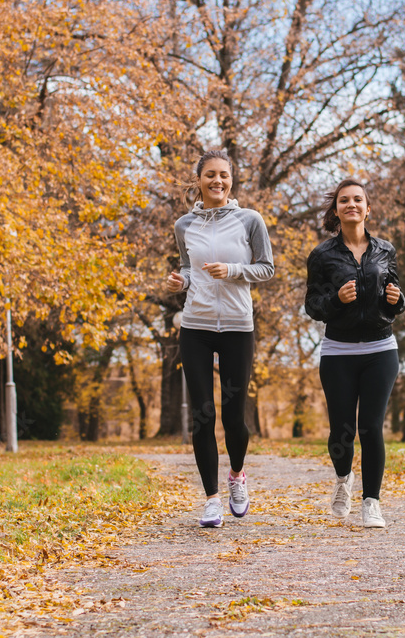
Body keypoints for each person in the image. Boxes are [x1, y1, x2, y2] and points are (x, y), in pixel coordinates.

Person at [165, 149, 274, 528]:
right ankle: (211, 499)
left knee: (233, 415)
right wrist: (184, 280)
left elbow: (267, 268)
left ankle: (237, 477)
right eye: (210, 174)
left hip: (237, 326)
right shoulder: (184, 225)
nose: (217, 181)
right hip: (195, 325)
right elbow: (187, 267)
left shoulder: (250, 220)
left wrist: (231, 270)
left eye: (223, 175)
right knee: (201, 415)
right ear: (199, 180)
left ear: (231, 180)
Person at [304, 178, 405, 528]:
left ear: (367, 208)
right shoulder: (321, 255)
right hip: (338, 352)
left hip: (381, 348)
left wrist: (399, 301)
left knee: (371, 427)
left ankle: (372, 502)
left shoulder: (385, 250)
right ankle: (343, 479)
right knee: (342, 431)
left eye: (358, 199)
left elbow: (395, 296)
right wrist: (337, 300)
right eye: (344, 200)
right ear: (336, 210)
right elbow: (313, 306)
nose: (352, 205)